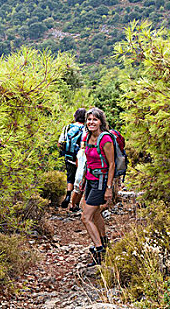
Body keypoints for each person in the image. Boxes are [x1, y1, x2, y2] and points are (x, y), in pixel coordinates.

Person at [79, 107, 115, 267]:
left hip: (101, 181)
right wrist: (82, 180)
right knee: (95, 213)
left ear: (101, 121)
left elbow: (112, 164)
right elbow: (88, 160)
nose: (91, 122)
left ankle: (99, 251)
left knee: (86, 217)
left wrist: (109, 188)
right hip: (90, 179)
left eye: (94, 119)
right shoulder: (87, 137)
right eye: (89, 119)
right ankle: (104, 240)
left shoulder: (105, 139)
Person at [57, 108, 86, 210]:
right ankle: (75, 204)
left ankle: (68, 195)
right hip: (81, 158)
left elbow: (60, 142)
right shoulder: (86, 129)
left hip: (69, 157)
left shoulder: (68, 127)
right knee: (81, 179)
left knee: (70, 177)